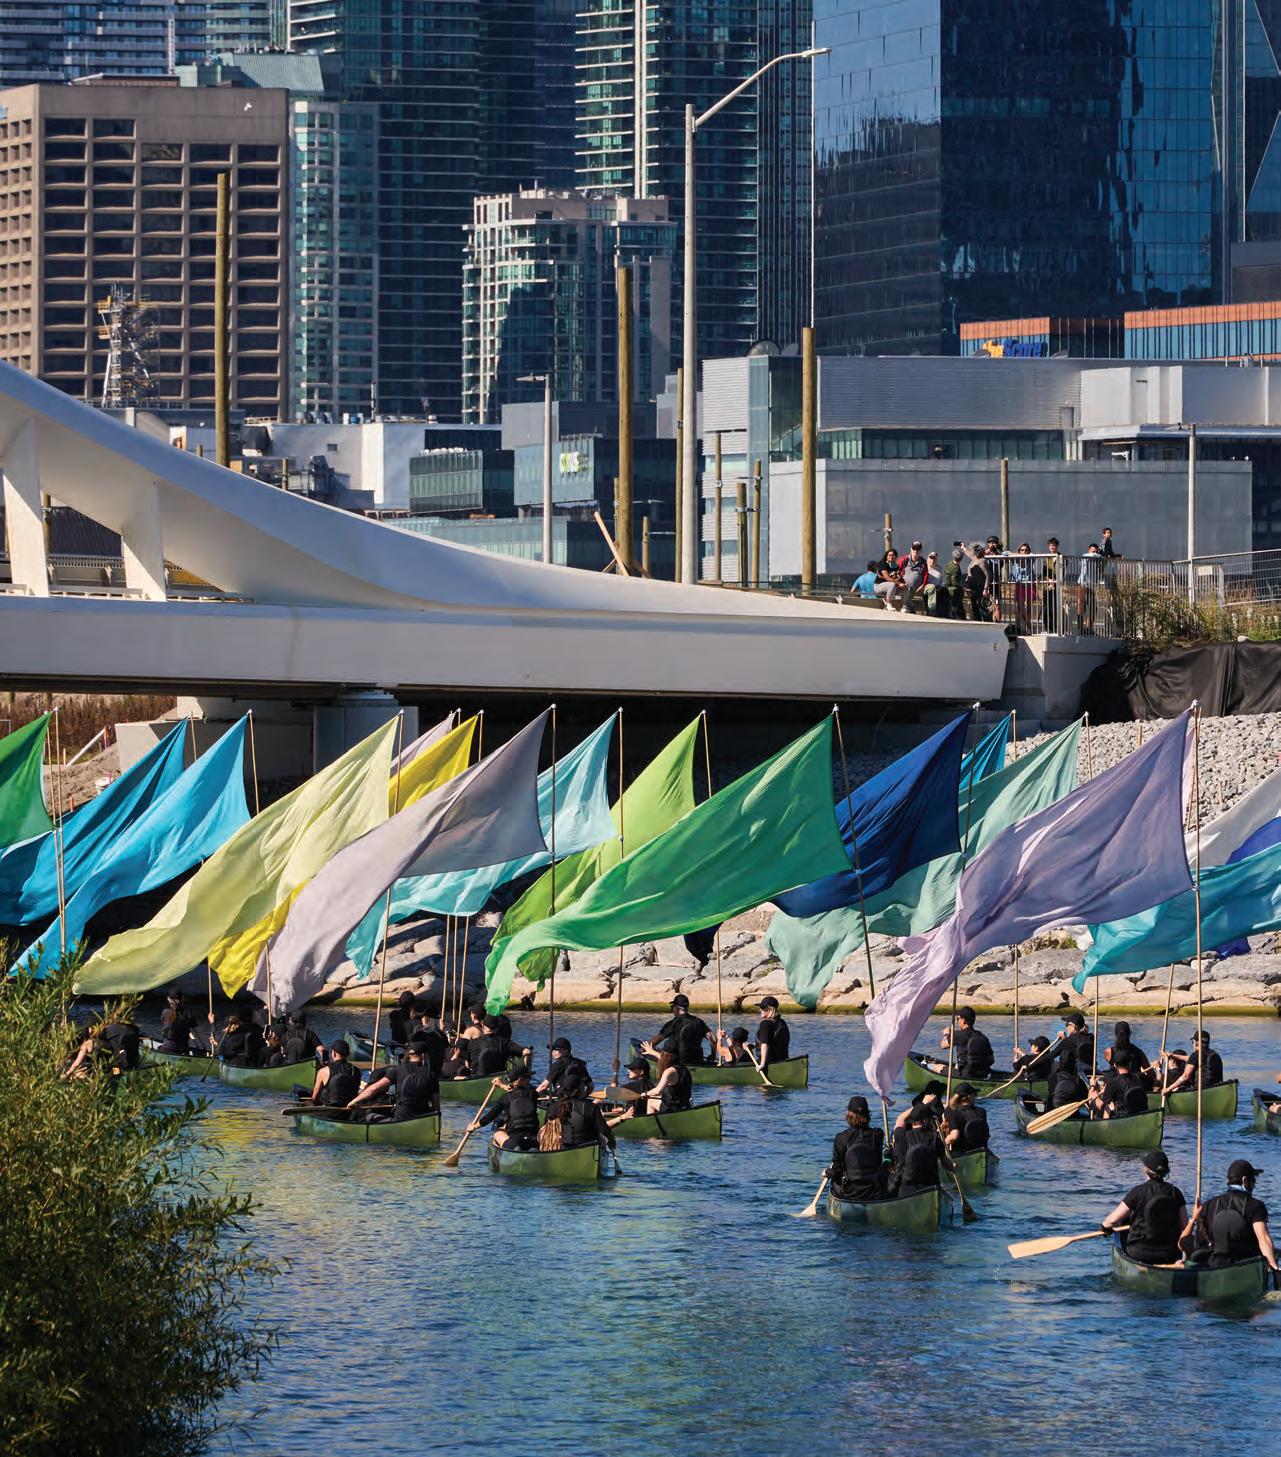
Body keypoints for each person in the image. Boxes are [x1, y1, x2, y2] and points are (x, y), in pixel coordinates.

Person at [1181, 1160, 1279, 1271]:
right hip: (1246, 1269)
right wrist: (1274, 1269)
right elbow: (1263, 1239)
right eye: (1253, 1180)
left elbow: (1199, 1244)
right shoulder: (1256, 1206)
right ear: (1245, 1181)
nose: (1254, 1185)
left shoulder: (1208, 1205)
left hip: (1213, 1268)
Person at [1101, 1150, 1189, 1265]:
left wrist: (1105, 1227)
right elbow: (1185, 1225)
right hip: (1169, 1255)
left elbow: (1112, 1220)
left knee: (1125, 1220)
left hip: (1140, 1253)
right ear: (1166, 1171)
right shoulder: (1175, 1193)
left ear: (1145, 1170)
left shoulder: (1137, 1192)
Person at [348, 1041, 439, 1123]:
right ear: (423, 1056)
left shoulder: (398, 1070)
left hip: (402, 1116)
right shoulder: (432, 1075)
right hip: (423, 1118)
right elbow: (436, 1106)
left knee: (369, 1116)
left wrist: (354, 1101)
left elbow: (373, 1089)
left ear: (410, 1054)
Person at [827, 1095, 887, 1201]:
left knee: (834, 1181)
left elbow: (837, 1171)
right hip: (873, 1191)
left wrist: (828, 1172)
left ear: (849, 1115)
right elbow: (878, 1162)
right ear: (868, 1114)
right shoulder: (878, 1134)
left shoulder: (841, 1138)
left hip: (849, 1192)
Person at [476, 1066, 541, 1150]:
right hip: (533, 1136)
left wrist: (474, 1126)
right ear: (521, 1080)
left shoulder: (505, 1098)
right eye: (528, 1077)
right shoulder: (533, 1094)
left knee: (497, 1134)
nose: (530, 1080)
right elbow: (520, 1093)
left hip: (515, 1137)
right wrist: (503, 1085)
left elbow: (491, 1115)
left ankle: (512, 1147)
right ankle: (534, 1148)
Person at [891, 1103, 945, 1199]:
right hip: (931, 1189)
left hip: (906, 1190)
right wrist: (952, 1166)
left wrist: (918, 1106)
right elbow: (946, 1162)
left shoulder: (900, 1135)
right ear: (925, 1121)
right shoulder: (935, 1138)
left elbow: (900, 1119)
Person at [643, 994, 712, 1066]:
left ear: (676, 1008)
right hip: (697, 1060)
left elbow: (655, 1041)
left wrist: (646, 1049)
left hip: (677, 1062)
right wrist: (712, 1055)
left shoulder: (673, 1024)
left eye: (672, 1007)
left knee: (654, 1051)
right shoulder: (698, 1022)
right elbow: (713, 1039)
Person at [1090, 1048, 1148, 1118]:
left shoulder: (1113, 1083)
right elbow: (1156, 1085)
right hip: (1141, 1115)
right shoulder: (1139, 1077)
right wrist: (1158, 1069)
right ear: (1129, 1063)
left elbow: (1098, 1106)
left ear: (1115, 1065)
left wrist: (1094, 1096)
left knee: (1107, 1106)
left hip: (1123, 1118)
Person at [1162, 1029, 1224, 1096]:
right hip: (1215, 1087)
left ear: (1196, 1043)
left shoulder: (1196, 1055)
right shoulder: (1213, 1053)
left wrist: (1169, 1088)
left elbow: (1185, 1076)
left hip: (1201, 1090)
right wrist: (1173, 1056)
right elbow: (1191, 1059)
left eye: (1192, 1042)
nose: (1193, 1044)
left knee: (1178, 1088)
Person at [940, 1005, 993, 1079]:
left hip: (965, 1075)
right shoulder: (982, 1037)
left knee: (937, 1066)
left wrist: (946, 1034)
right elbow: (991, 1060)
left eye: (958, 1018)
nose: (958, 1021)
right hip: (983, 1073)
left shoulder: (957, 1035)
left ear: (963, 1020)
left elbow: (943, 1045)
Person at [309, 1041, 363, 1108]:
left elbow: (315, 1096)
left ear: (333, 1053)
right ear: (348, 1054)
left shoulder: (324, 1071)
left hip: (328, 1110)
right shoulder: (357, 1071)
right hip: (349, 1110)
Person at [641, 1049, 693, 1115]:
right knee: (658, 1097)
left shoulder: (669, 1071)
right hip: (685, 1105)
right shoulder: (683, 1067)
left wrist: (645, 1094)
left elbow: (658, 1091)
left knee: (651, 1100)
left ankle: (651, 1120)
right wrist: (652, 1052)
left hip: (673, 1108)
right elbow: (663, 1058)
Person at [943, 1084, 989, 1152]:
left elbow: (954, 1137)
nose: (975, 1096)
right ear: (969, 1096)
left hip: (962, 1151)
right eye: (975, 1094)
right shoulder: (982, 1111)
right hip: (981, 1149)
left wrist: (942, 1144)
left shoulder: (953, 1112)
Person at [158, 988, 200, 1055]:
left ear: (168, 999)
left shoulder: (165, 1012)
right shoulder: (188, 1012)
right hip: (183, 1049)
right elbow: (195, 1032)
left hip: (168, 1048)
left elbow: (165, 1024)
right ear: (182, 999)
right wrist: (202, 1047)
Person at [755, 995, 791, 1072]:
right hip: (782, 1060)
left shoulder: (765, 1024)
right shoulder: (782, 1022)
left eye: (762, 1007)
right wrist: (753, 1045)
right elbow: (773, 1041)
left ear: (770, 1009)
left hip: (768, 1062)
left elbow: (765, 1044)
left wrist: (762, 1064)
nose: (760, 1009)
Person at [1076, 543, 1103, 633]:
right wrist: (1094, 555)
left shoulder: (1098, 559)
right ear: (1089, 550)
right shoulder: (1085, 557)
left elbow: (1101, 558)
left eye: (1095, 551)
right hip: (1082, 584)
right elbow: (1088, 556)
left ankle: (1089, 627)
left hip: (1091, 585)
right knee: (1081, 604)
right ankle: (1080, 627)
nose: (1094, 553)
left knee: (1093, 607)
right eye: (1092, 551)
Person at [1010, 543, 1036, 632]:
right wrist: (1017, 554)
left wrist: (1027, 555)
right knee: (1020, 607)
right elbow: (1004, 553)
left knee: (1028, 609)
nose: (1024, 551)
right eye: (1022, 550)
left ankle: (1027, 629)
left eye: (1026, 550)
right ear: (1019, 551)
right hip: (1020, 585)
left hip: (1030, 585)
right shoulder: (1014, 560)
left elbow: (1033, 555)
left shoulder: (1030, 560)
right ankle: (1030, 626)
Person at [899, 541, 929, 611]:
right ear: (911, 549)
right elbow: (897, 570)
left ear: (920, 550)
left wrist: (923, 585)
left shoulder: (923, 561)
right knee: (908, 589)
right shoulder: (904, 559)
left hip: (918, 587)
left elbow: (926, 574)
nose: (916, 551)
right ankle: (907, 606)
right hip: (904, 586)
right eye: (914, 548)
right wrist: (900, 582)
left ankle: (930, 610)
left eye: (918, 549)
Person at [965, 544, 991, 621]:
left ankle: (986, 621)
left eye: (978, 550)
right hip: (972, 586)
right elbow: (969, 554)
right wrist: (963, 547)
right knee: (974, 605)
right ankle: (977, 620)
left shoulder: (982, 561)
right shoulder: (974, 559)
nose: (976, 552)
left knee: (981, 605)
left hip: (979, 586)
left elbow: (987, 575)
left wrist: (985, 589)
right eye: (975, 550)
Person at [1042, 537, 1061, 631]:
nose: (1052, 547)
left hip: (1057, 586)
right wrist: (1049, 581)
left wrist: (1054, 581)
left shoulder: (1061, 558)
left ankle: (1054, 627)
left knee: (1054, 607)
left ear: (1057, 546)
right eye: (1050, 546)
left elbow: (1062, 572)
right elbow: (1044, 573)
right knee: (1046, 607)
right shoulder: (1046, 558)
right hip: (1047, 586)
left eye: (1054, 545)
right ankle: (1047, 626)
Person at [943, 547, 966, 620]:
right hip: (952, 589)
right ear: (961, 558)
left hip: (946, 587)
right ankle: (958, 615)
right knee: (959, 592)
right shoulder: (956, 568)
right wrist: (962, 588)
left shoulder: (949, 564)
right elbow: (955, 582)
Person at [923, 550, 943, 615]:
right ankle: (931, 610)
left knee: (945, 591)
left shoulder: (939, 568)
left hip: (937, 588)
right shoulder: (924, 567)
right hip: (926, 587)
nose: (932, 560)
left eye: (934, 558)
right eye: (931, 558)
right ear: (927, 559)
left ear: (937, 560)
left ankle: (946, 612)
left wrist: (940, 586)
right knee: (932, 587)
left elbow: (941, 580)